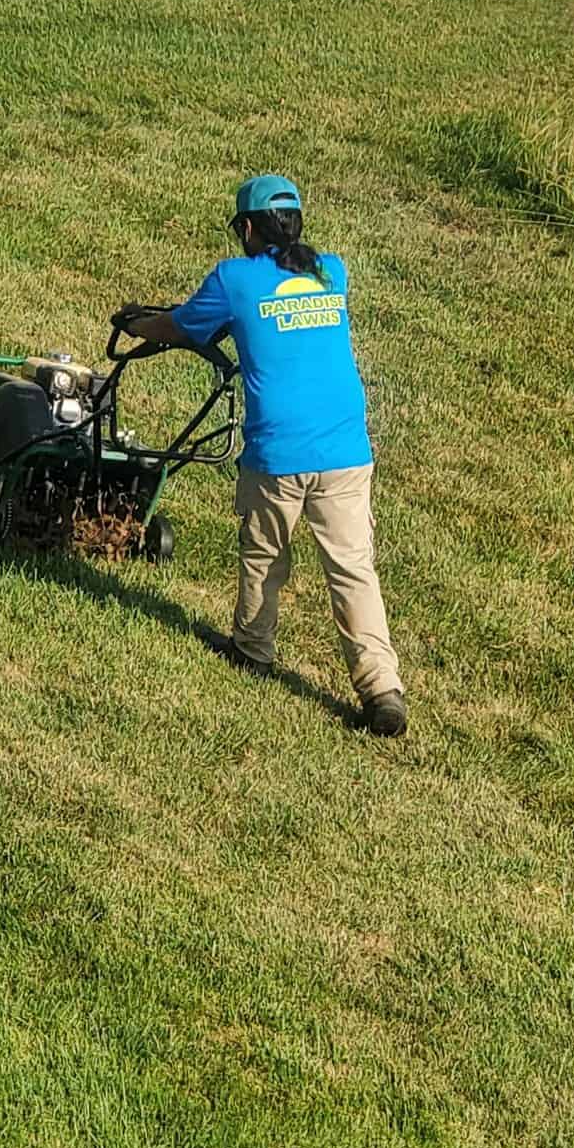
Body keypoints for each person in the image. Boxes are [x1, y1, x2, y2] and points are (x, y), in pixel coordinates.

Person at [122, 174, 408, 737]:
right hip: (347, 447)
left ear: (247, 228)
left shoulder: (234, 279)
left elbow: (181, 327)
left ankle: (253, 650)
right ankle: (382, 689)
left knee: (264, 556)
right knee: (352, 569)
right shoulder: (333, 272)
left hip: (278, 452)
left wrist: (135, 323)